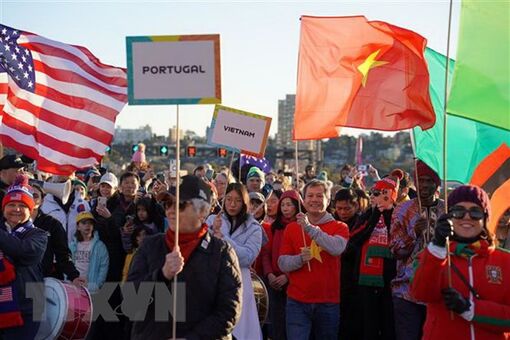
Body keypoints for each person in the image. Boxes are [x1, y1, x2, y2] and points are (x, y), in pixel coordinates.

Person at [128, 175, 242, 339]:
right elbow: (131, 302)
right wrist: (161, 275)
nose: (171, 210)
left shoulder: (221, 252)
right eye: (167, 203)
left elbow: (229, 311)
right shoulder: (150, 246)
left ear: (202, 211)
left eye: (180, 205)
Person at [411, 184, 510, 339]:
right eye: (458, 211)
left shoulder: (505, 260)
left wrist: (470, 309)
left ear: (485, 219)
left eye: (475, 212)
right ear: (449, 217)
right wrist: (437, 246)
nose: (466, 217)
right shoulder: (431, 255)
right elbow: (421, 294)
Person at [278, 179, 349, 340]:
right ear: (303, 200)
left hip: (328, 302)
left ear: (328, 199)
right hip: (297, 302)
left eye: (319, 196)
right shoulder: (292, 227)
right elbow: (282, 263)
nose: (314, 200)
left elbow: (337, 247)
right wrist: (300, 259)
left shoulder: (340, 226)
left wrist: (310, 228)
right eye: (310, 195)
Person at [389, 160, 445, 340]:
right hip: (407, 292)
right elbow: (395, 250)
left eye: (430, 180)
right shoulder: (402, 209)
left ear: (437, 184)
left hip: (440, 292)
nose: (425, 185)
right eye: (421, 180)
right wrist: (415, 233)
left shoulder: (448, 210)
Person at [348, 173, 402, 340]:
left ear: (389, 195)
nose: (373, 197)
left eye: (377, 193)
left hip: (391, 278)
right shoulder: (367, 214)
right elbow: (354, 239)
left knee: (388, 323)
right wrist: (373, 218)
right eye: (372, 193)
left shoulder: (398, 215)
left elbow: (402, 241)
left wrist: (385, 215)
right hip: (365, 280)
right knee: (368, 324)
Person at [207, 182, 263, 340]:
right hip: (213, 282)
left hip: (240, 283)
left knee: (240, 328)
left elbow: (248, 257)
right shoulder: (212, 220)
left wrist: (223, 239)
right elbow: (202, 248)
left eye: (238, 200)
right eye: (229, 199)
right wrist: (211, 231)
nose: (232, 204)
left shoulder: (254, 228)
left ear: (244, 202)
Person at [0, 174, 47, 339]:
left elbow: (22, 251)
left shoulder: (39, 235)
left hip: (28, 308)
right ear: (4, 208)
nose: (16, 209)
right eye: (11, 204)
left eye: (22, 205)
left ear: (31, 209)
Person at [262, 190, 302, 340]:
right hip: (274, 281)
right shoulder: (275, 227)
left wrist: (287, 276)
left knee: (292, 322)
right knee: (276, 323)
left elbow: (303, 258)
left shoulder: (302, 227)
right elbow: (266, 253)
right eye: (283, 205)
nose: (285, 208)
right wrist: (270, 274)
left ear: (297, 207)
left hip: (293, 281)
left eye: (289, 205)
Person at [30, 183, 83, 286]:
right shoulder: (12, 221)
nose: (31, 198)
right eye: (28, 194)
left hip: (43, 280)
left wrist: (74, 276)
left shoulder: (52, 224)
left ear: (42, 201)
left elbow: (63, 255)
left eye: (35, 195)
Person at [333, 189, 363, 340]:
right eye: (339, 209)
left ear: (356, 206)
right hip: (334, 281)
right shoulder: (332, 223)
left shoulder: (361, 223)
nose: (342, 212)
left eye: (347, 209)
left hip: (354, 281)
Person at [41, 174, 91, 244]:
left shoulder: (83, 204)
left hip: (77, 251)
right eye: (61, 182)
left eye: (67, 182)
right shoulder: (44, 204)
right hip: (55, 252)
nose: (64, 186)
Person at [69, 211, 109, 293]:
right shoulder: (71, 246)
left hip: (91, 290)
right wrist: (69, 282)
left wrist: (96, 286)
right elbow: (67, 265)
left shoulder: (100, 247)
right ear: (78, 227)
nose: (87, 225)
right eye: (84, 223)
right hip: (73, 288)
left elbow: (103, 268)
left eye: (90, 223)